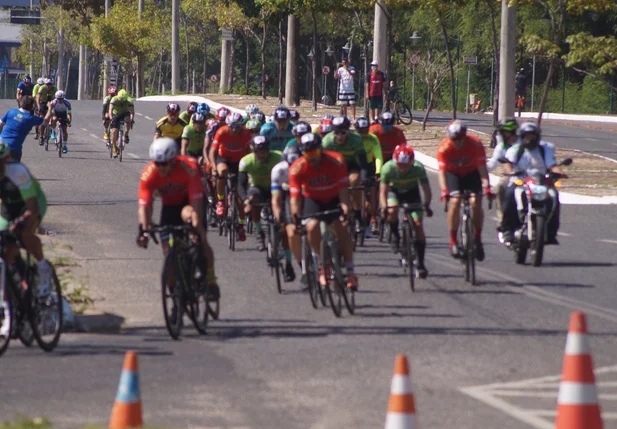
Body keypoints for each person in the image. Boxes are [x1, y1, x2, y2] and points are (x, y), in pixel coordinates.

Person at [137, 137, 219, 301]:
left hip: (190, 202)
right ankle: (176, 296)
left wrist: (196, 228)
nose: (160, 167)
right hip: (170, 206)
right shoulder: (149, 173)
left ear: (174, 160)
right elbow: (145, 206)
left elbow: (196, 205)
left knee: (200, 238)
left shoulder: (189, 168)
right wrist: (143, 231)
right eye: (157, 163)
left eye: (164, 163)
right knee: (168, 252)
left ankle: (210, 280)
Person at [289, 133, 358, 290]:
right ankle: (322, 265)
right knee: (312, 227)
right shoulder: (297, 168)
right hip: (313, 200)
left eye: (314, 153)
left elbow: (343, 191)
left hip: (334, 196)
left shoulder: (336, 161)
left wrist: (346, 209)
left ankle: (350, 270)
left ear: (321, 150)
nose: (311, 157)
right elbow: (295, 198)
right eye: (307, 154)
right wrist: (295, 217)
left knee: (341, 226)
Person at [0, 138, 52, 301]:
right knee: (5, 248)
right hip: (9, 205)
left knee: (23, 232)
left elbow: (32, 207)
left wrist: (20, 222)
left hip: (32, 202)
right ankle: (12, 285)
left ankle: (42, 268)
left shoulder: (17, 172)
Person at [500, 122, 564, 246]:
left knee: (553, 198)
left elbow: (553, 165)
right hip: (520, 183)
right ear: (521, 136)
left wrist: (558, 173)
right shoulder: (515, 150)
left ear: (537, 136)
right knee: (508, 195)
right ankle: (507, 230)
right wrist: (511, 171)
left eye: (532, 136)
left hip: (539, 184)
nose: (529, 139)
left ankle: (551, 232)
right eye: (526, 136)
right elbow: (508, 163)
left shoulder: (545, 149)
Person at [437, 120, 491, 260]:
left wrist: (487, 187)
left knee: (475, 202)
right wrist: (444, 191)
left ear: (465, 136)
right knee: (454, 203)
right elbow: (442, 173)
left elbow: (482, 169)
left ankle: (478, 239)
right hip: (453, 174)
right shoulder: (444, 148)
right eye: (454, 139)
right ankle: (453, 241)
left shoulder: (475, 144)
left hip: (472, 173)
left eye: (460, 138)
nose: (458, 142)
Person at [379, 144, 432, 277]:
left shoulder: (418, 168)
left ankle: (420, 263)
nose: (402, 169)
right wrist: (384, 207)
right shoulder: (388, 168)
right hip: (394, 192)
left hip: (412, 193)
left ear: (412, 162)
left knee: (418, 223)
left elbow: (426, 189)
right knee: (392, 211)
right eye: (400, 165)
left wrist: (426, 205)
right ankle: (395, 236)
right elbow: (383, 192)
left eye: (406, 165)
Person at [238, 136, 285, 256]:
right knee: (254, 200)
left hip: (276, 187)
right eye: (258, 152)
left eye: (264, 151)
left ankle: (280, 229)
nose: (262, 155)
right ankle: (259, 233)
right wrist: (246, 201)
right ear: (253, 151)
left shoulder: (279, 157)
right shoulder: (246, 161)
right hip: (257, 188)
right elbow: (240, 184)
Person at [209, 112, 252, 241]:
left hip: (240, 161)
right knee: (222, 171)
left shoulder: (245, 134)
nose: (234, 129)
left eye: (237, 127)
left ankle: (241, 224)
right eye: (231, 126)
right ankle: (221, 201)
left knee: (240, 195)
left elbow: (250, 152)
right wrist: (213, 167)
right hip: (224, 158)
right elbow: (213, 152)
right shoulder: (222, 132)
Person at [322, 116, 367, 225]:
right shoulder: (327, 142)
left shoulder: (356, 139)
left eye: (343, 133)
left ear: (348, 132)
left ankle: (357, 213)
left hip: (351, 165)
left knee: (354, 183)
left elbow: (363, 162)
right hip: (333, 167)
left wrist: (366, 177)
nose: (339, 136)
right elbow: (322, 164)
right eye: (336, 133)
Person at [271, 140, 304, 288]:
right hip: (287, 195)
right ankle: (293, 263)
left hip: (305, 193)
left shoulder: (308, 166)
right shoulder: (279, 170)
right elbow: (276, 199)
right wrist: (279, 218)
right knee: (287, 229)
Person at [486, 118, 519, 235]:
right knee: (500, 187)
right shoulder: (501, 147)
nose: (500, 135)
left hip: (527, 176)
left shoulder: (523, 144)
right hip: (511, 176)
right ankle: (502, 219)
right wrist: (478, 167)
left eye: (503, 132)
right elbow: (492, 164)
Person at [354, 117, 383, 234]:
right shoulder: (351, 139)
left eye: (365, 131)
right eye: (360, 131)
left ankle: (373, 219)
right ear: (355, 130)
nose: (362, 134)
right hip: (353, 165)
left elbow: (378, 156)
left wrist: (378, 172)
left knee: (372, 189)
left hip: (367, 166)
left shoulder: (373, 139)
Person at [0, 96, 46, 162]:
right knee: (13, 170)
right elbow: (45, 121)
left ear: (21, 103)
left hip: (1, 144)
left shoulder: (11, 112)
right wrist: (50, 108)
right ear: (32, 106)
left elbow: (0, 124)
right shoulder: (31, 118)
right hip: (14, 147)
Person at [108, 89, 135, 157]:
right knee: (114, 131)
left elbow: (132, 112)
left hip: (125, 113)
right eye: (120, 100)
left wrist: (131, 119)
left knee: (128, 119)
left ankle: (126, 134)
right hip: (116, 114)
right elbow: (110, 110)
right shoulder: (114, 99)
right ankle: (114, 148)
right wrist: (111, 119)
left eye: (123, 101)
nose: (122, 102)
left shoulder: (129, 100)